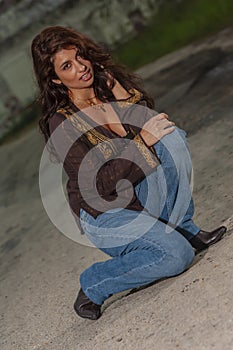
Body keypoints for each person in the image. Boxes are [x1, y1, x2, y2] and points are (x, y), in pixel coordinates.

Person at [31, 26, 226, 320]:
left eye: (79, 55)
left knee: (171, 137)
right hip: (108, 214)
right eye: (67, 66)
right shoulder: (62, 123)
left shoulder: (106, 84)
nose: (81, 66)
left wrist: (123, 98)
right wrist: (141, 142)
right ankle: (93, 284)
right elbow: (100, 184)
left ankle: (185, 228)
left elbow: (152, 130)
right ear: (57, 79)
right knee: (175, 256)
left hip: (137, 191)